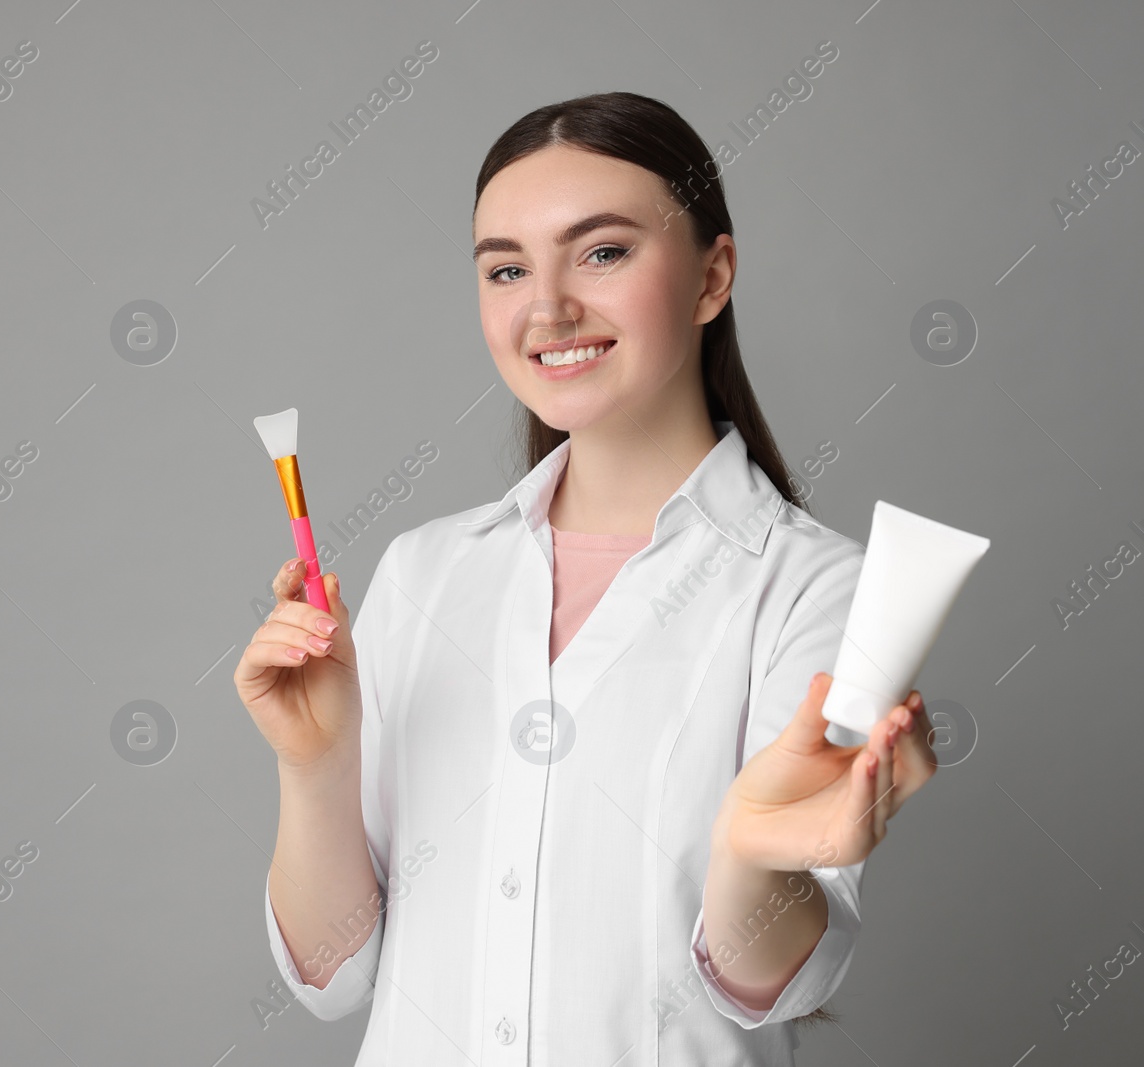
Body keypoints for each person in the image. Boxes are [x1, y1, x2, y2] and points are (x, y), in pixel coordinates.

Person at [234, 91, 939, 1066]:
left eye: (603, 252)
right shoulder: (425, 573)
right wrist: (315, 764)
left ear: (711, 274)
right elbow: (331, 974)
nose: (547, 305)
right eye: (506, 268)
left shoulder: (813, 589)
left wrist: (746, 845)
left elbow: (766, 981)